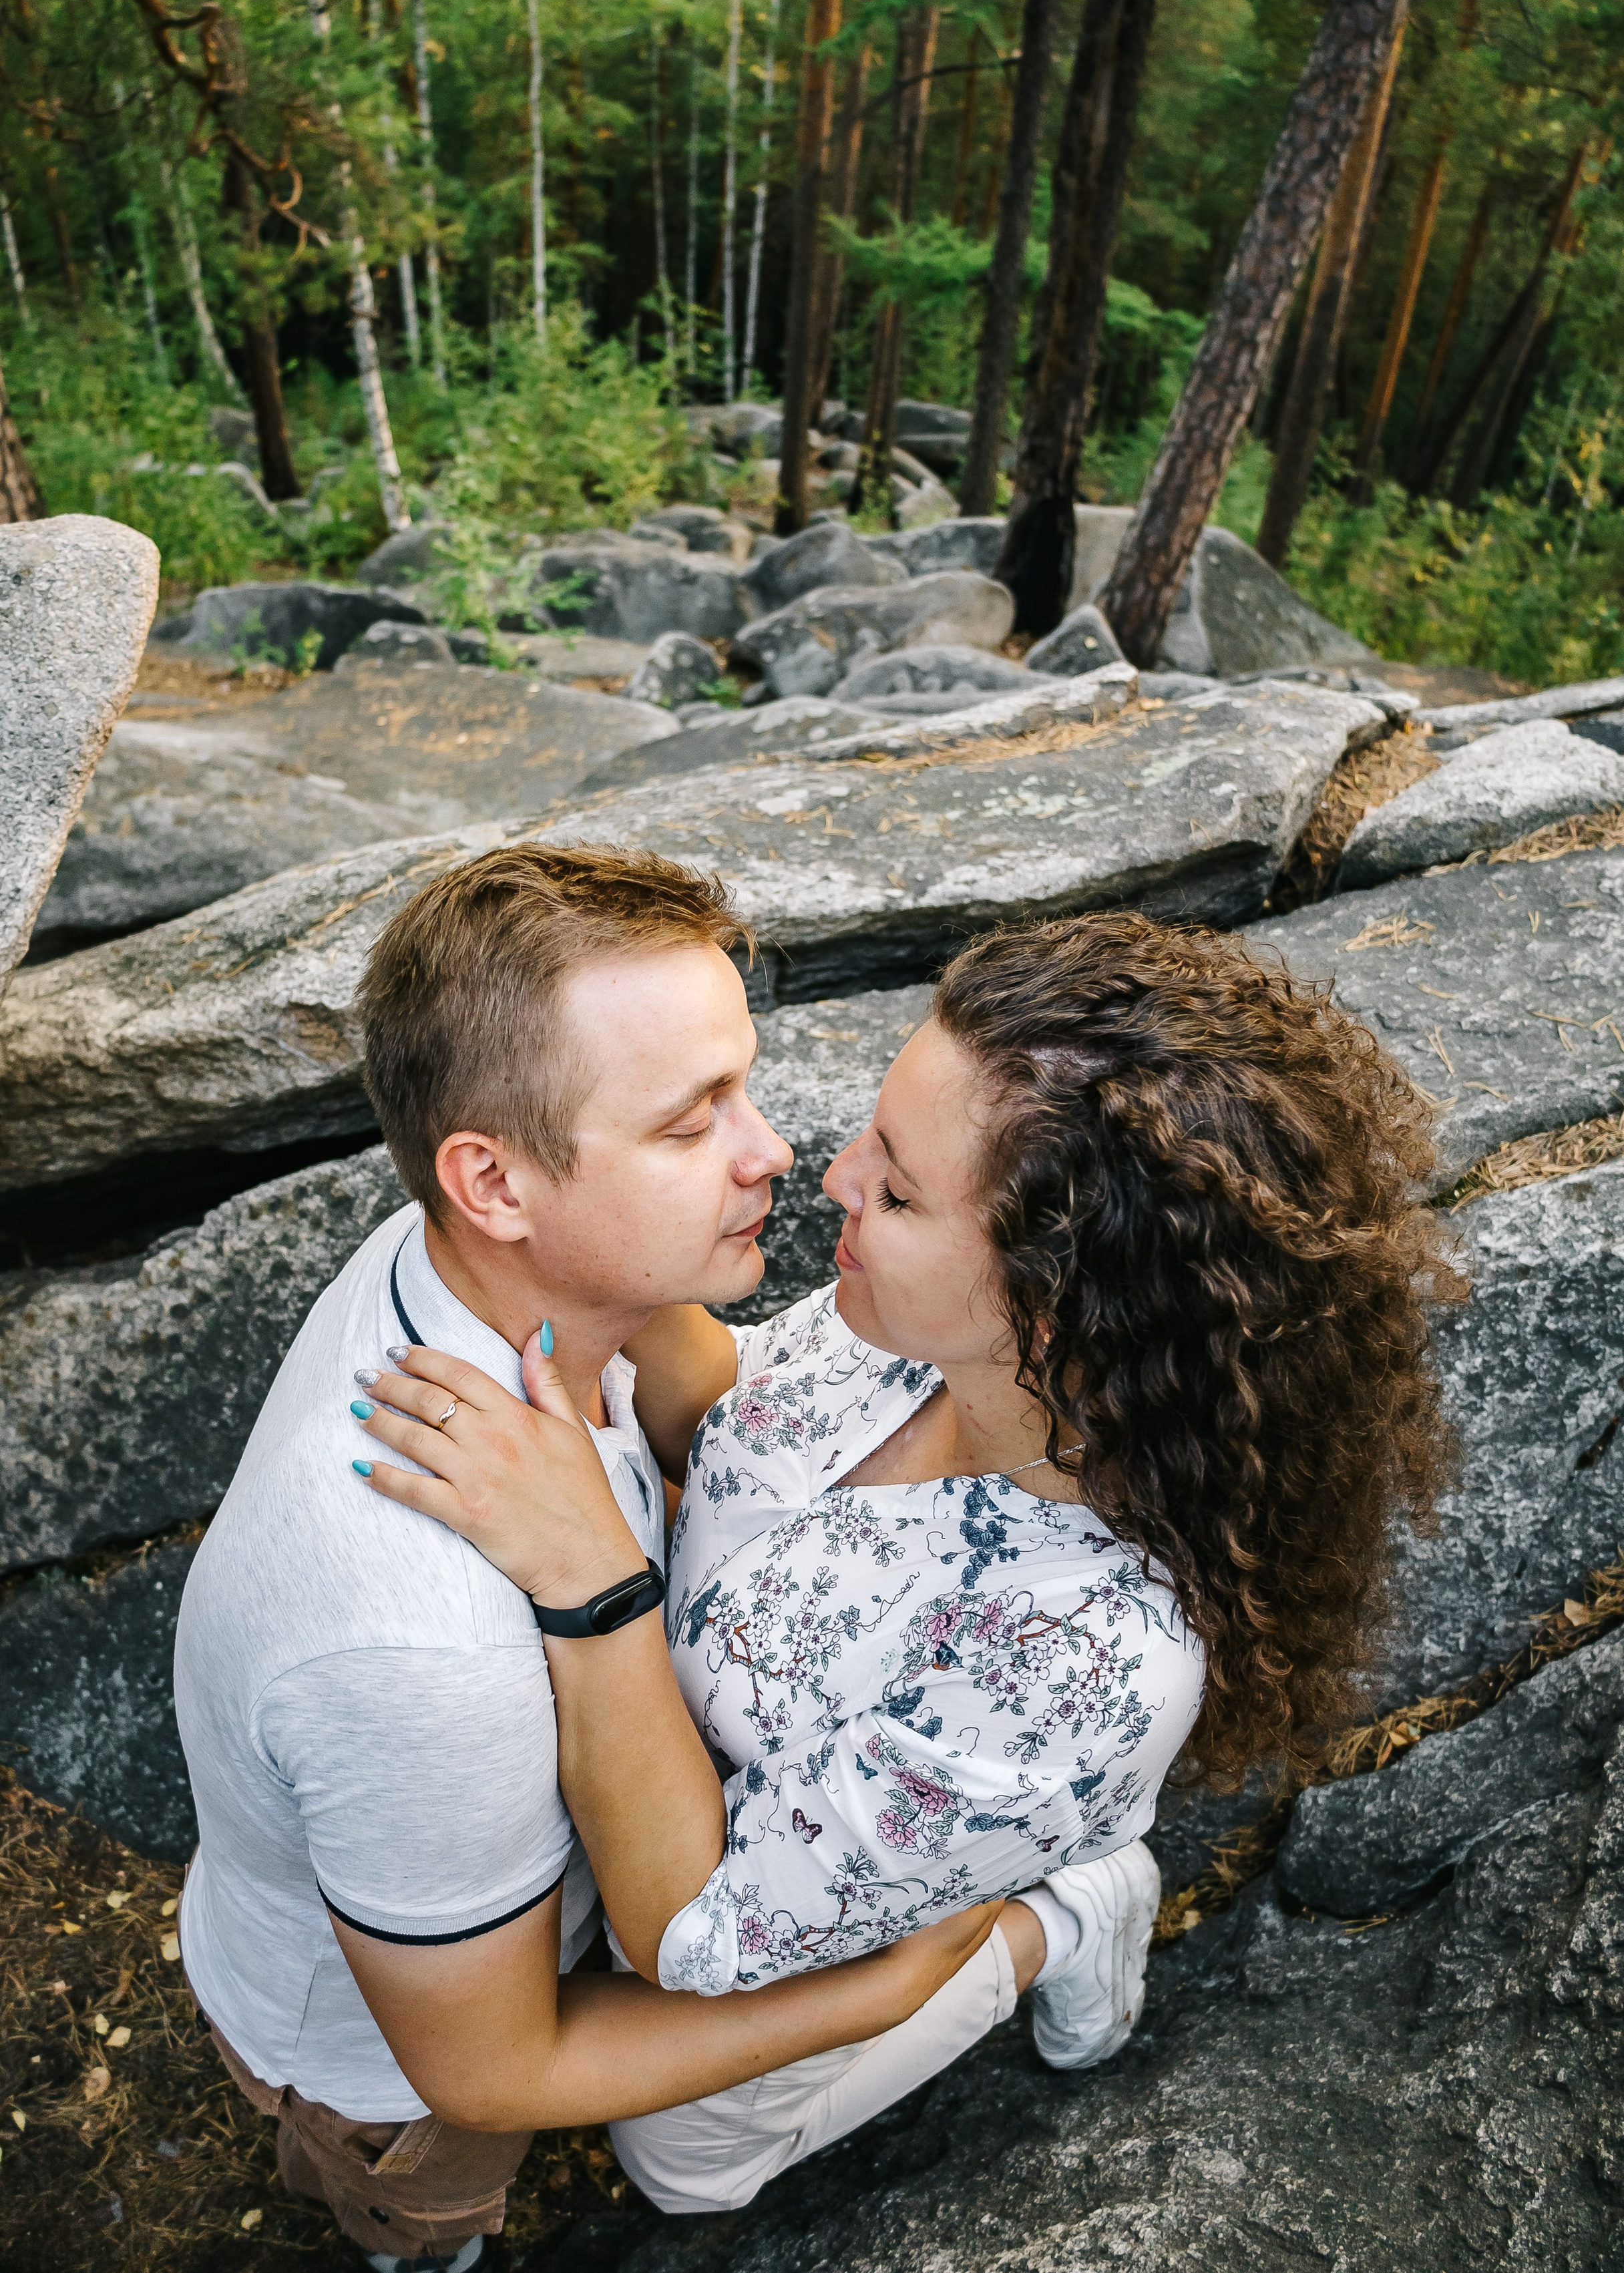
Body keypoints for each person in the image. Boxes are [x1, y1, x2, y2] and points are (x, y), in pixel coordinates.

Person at [352, 895, 1460, 2219]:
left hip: (772, 1882)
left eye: (894, 1184)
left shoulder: (1076, 1668)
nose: (829, 1178)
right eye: (875, 1136)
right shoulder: (902, 1322)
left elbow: (691, 1934)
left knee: (683, 2161)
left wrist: (596, 1588)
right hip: (686, 1772)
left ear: (1049, 1317)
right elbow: (742, 1413)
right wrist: (603, 1270)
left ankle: (1054, 1918)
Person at [173, 845, 1006, 2273]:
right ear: (491, 1180)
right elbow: (486, 2076)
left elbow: (710, 1405)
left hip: (457, 1886)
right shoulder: (427, 1655)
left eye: (741, 1083)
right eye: (691, 1126)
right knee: (434, 2216)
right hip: (385, 2077)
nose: (772, 1151)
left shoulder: (484, 1264)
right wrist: (886, 1984)